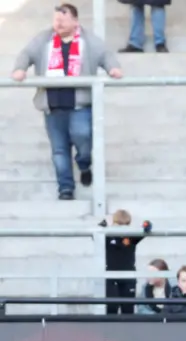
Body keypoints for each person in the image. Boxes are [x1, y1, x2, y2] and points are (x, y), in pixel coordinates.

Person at [11, 3, 122, 200]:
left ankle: (84, 162)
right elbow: (26, 54)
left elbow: (106, 55)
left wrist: (113, 68)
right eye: (56, 20)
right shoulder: (44, 39)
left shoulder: (88, 41)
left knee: (83, 137)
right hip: (53, 105)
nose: (58, 24)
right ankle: (65, 188)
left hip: (79, 104)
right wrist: (20, 69)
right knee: (59, 150)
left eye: (63, 20)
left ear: (75, 21)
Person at [100, 210, 152, 315]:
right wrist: (105, 224)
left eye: (124, 225)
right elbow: (96, 232)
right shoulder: (107, 236)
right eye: (118, 224)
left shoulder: (131, 237)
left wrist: (147, 225)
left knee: (128, 310)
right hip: (111, 277)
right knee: (111, 309)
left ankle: (128, 331)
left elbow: (147, 226)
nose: (121, 228)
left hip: (128, 277)